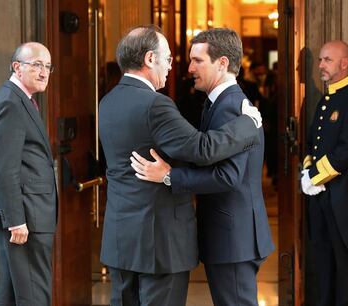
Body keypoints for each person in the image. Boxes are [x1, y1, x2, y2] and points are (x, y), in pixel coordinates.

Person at [98, 25, 263, 306]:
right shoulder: (156, 105)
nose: (175, 67)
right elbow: (202, 148)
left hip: (120, 239)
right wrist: (250, 124)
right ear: (150, 59)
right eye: (169, 59)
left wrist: (170, 175)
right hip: (160, 243)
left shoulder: (108, 101)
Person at [300, 40, 348, 305]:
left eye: (327, 60)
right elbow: (312, 145)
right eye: (320, 60)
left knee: (346, 272)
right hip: (321, 201)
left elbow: (347, 151)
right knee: (324, 267)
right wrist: (308, 170)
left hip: (345, 202)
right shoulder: (324, 101)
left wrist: (314, 177)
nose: (321, 65)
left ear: (344, 63)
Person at [0, 42, 57, 306]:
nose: (44, 72)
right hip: (24, 218)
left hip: (27, 214)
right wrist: (16, 220)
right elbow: (4, 169)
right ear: (17, 67)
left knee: (13, 293)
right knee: (33, 295)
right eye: (36, 65)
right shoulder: (10, 103)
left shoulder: (19, 99)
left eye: (48, 66)